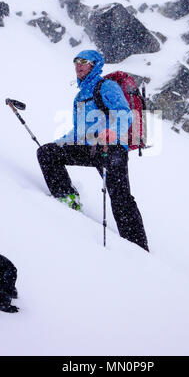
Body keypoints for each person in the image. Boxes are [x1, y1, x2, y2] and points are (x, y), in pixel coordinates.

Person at [37, 50, 149, 251]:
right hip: (88, 147)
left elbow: (124, 114)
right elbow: (79, 131)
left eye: (84, 61)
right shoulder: (80, 96)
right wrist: (58, 144)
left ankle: (139, 248)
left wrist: (112, 133)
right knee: (47, 153)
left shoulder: (107, 86)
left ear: (95, 64)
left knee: (121, 198)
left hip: (112, 149)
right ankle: (68, 200)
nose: (78, 65)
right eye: (76, 61)